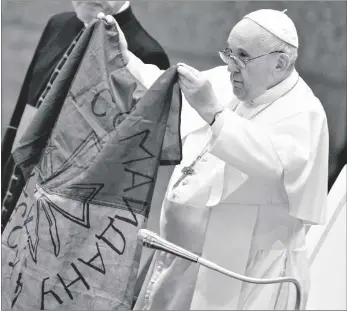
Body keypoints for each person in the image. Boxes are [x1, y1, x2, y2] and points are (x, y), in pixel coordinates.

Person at [99, 9, 329, 310]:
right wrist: (126, 58)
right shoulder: (225, 80)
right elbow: (165, 89)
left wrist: (215, 114)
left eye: (243, 56)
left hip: (240, 273)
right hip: (181, 259)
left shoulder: (304, 112)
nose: (230, 67)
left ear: (280, 63)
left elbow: (275, 164)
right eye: (229, 52)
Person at [1, 1, 170, 230]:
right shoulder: (58, 23)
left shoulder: (147, 54)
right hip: (16, 180)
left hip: (67, 209)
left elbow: (126, 164)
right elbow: (25, 106)